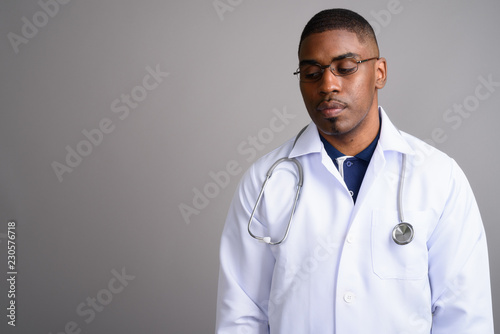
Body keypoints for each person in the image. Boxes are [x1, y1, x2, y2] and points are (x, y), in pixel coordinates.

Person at [215, 8, 494, 333]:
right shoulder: (267, 179)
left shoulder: (438, 177)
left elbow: (464, 316)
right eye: (311, 72)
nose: (327, 84)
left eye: (345, 68)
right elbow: (241, 315)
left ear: (379, 72)